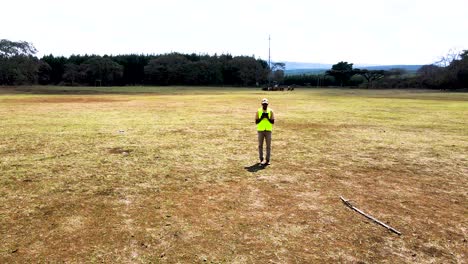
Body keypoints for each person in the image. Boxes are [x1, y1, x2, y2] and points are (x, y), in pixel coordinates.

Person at [255, 98, 275, 165]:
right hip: (260, 130)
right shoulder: (258, 111)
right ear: (261, 104)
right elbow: (256, 122)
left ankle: (267, 160)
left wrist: (268, 118)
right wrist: (261, 118)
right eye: (263, 104)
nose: (265, 105)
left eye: (266, 104)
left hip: (268, 130)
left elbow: (272, 122)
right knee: (260, 145)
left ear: (267, 104)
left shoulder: (271, 111)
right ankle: (261, 159)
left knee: (268, 146)